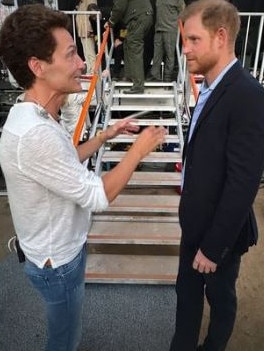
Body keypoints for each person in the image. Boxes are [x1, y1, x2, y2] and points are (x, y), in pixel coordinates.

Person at [0, 4, 166, 351]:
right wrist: (138, 149)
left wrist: (104, 136)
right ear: (38, 67)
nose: (82, 64)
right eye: (72, 54)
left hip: (57, 252)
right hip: (57, 263)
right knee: (64, 340)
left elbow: (65, 163)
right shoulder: (36, 134)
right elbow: (98, 195)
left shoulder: (32, 116)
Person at [169, 1, 264, 351]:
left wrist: (211, 248)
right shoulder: (208, 87)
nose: (185, 48)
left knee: (220, 298)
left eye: (193, 39)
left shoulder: (248, 95)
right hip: (194, 225)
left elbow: (243, 183)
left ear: (221, 36)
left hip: (219, 237)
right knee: (186, 296)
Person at [105, 0, 154, 94]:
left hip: (138, 18)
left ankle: (138, 85)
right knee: (128, 44)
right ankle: (130, 76)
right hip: (142, 16)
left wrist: (110, 22)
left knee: (134, 47)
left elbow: (119, 7)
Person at [147, 0, 185, 82]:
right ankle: (155, 74)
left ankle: (168, 76)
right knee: (157, 54)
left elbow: (183, 13)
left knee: (169, 54)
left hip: (170, 29)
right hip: (158, 29)